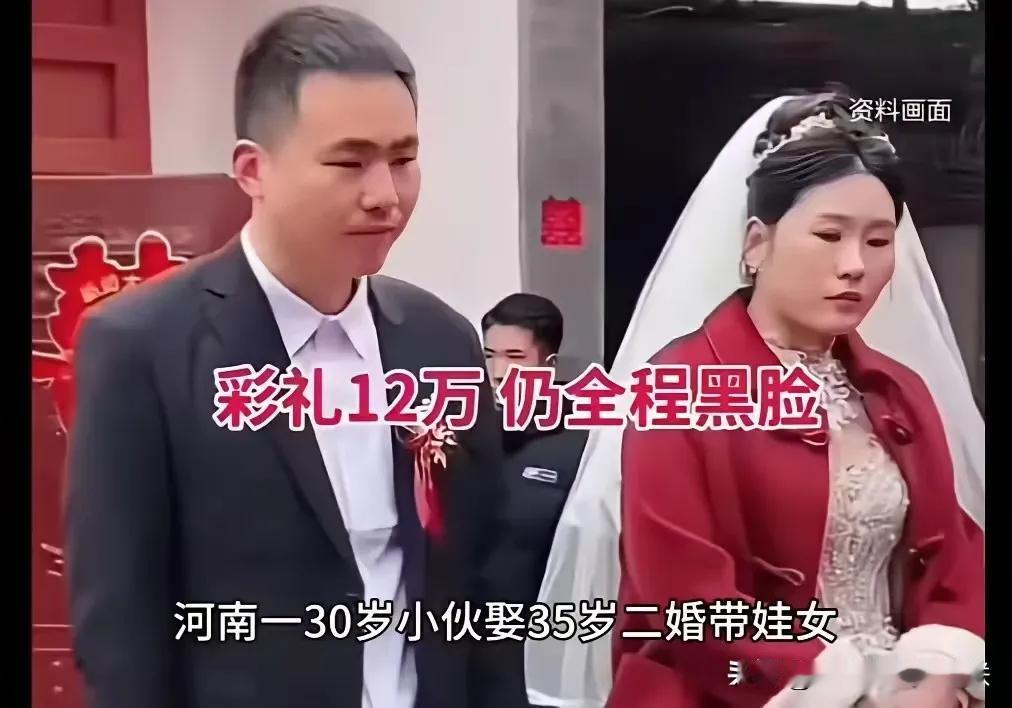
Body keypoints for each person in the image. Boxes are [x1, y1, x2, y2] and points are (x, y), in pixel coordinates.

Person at [66, 7, 507, 708]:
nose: (385, 196)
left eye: (403, 160)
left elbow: (480, 587)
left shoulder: (441, 342)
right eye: (348, 163)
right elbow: (121, 631)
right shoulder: (143, 347)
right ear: (253, 170)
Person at [526, 92, 985, 708]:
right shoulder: (680, 388)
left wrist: (933, 668)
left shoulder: (898, 392)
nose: (854, 265)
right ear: (756, 244)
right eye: (829, 235)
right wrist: (843, 689)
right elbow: (684, 600)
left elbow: (956, 559)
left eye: (879, 242)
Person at [481, 293, 589, 706]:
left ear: (548, 365)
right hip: (463, 636)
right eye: (489, 356)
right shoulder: (462, 431)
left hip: (539, 645)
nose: (498, 372)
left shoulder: (583, 441)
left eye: (515, 357)